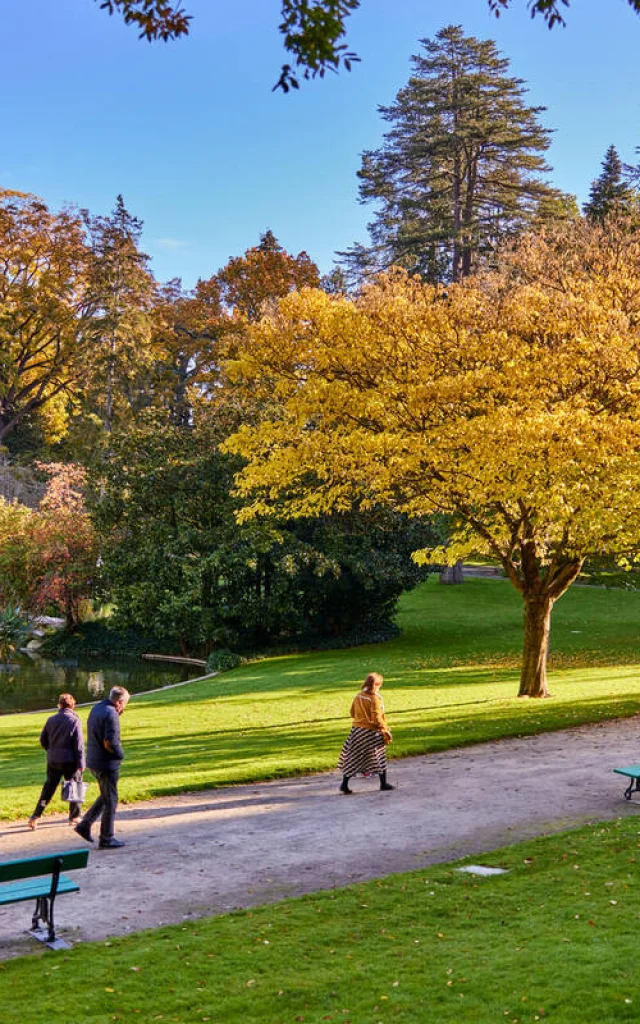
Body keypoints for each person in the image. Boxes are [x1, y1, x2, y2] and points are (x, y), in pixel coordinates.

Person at [74, 685, 130, 849]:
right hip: (107, 762)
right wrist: (120, 754)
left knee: (106, 795)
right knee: (111, 799)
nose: (124, 707)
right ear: (119, 702)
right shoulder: (111, 714)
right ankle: (106, 837)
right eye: (125, 704)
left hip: (94, 760)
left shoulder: (97, 708)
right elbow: (109, 742)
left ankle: (85, 824)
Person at [28, 692, 85, 829]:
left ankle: (36, 816)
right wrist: (81, 763)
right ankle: (74, 816)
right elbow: (79, 745)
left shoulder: (51, 720)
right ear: (73, 705)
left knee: (48, 788)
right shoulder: (74, 720)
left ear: (59, 705)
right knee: (75, 787)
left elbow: (43, 740)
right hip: (70, 760)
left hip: (53, 760)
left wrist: (51, 750)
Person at [337, 672, 394, 795]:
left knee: (353, 757)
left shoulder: (359, 696)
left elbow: (352, 712)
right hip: (371, 732)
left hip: (356, 731)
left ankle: (344, 784)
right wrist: (385, 729)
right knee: (379, 756)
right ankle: (383, 784)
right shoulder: (375, 699)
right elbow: (376, 718)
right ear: (376, 685)